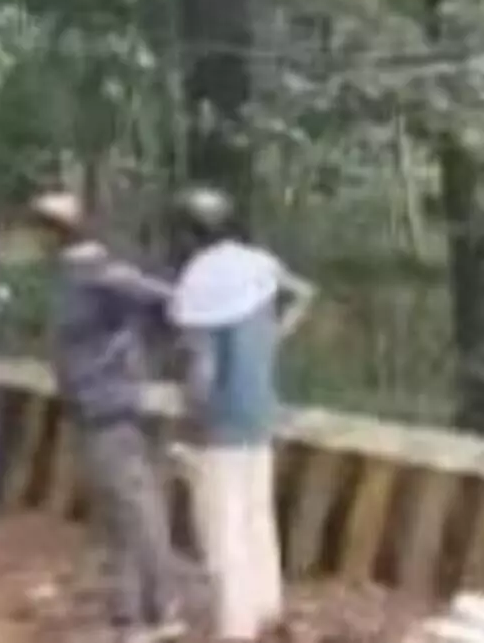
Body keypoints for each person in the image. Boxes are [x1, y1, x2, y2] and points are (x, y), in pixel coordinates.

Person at [28, 192, 186, 643]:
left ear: (54, 234)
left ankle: (162, 610)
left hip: (110, 406)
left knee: (136, 510)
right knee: (117, 514)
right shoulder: (74, 276)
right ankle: (128, 615)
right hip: (92, 407)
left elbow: (171, 303)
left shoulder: (100, 275)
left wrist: (138, 351)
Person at [169, 186, 314, 643]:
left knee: (221, 527)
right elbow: (306, 293)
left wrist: (191, 420)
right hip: (261, 411)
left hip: (221, 422)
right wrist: (273, 337)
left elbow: (204, 366)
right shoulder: (259, 263)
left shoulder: (199, 279)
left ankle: (236, 627)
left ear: (189, 232)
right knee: (257, 514)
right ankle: (268, 608)